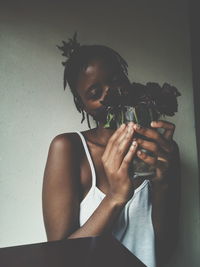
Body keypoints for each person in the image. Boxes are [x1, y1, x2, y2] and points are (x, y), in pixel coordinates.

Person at [42, 34, 181, 267]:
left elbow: (164, 251)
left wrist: (163, 185)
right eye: (95, 93)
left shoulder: (162, 150)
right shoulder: (69, 149)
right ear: (81, 104)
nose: (111, 93)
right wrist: (116, 197)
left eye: (116, 80)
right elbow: (59, 260)